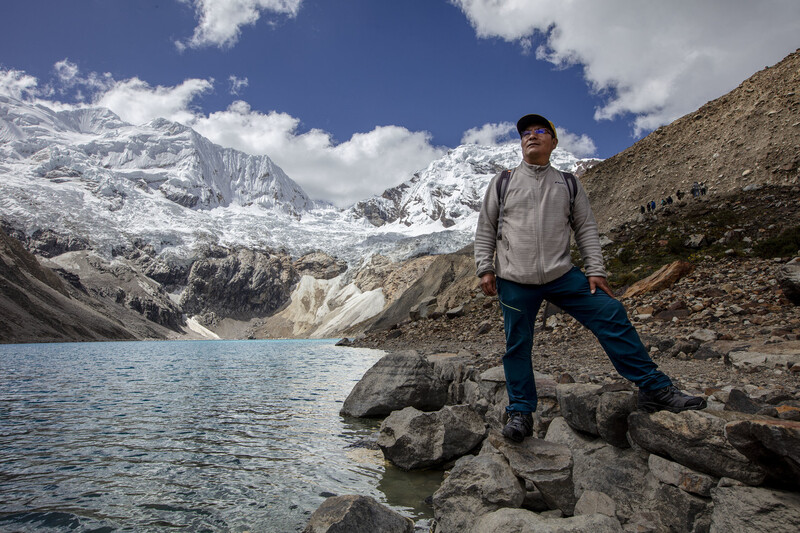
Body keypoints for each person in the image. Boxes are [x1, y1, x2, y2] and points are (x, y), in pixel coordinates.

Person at [474, 113, 707, 443]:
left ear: (553, 142)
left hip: (561, 274)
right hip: (514, 278)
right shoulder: (504, 181)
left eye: (540, 130)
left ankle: (655, 388)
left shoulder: (568, 182)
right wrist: (485, 267)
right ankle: (521, 412)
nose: (531, 135)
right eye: (526, 132)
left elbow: (585, 228)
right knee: (517, 345)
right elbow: (486, 227)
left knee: (611, 312)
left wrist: (596, 270)